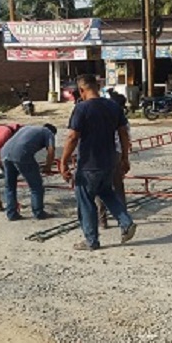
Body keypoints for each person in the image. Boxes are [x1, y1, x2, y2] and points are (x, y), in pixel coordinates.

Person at [60, 74, 136, 251]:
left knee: (86, 200)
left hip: (89, 164)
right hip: (109, 161)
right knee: (107, 193)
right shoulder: (113, 106)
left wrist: (63, 161)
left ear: (81, 90)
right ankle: (126, 223)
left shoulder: (82, 109)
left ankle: (91, 240)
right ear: (97, 86)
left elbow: (72, 137)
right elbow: (124, 133)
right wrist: (125, 158)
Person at [0, 124, 57, 221]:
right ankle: (38, 212)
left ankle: (12, 214)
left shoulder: (27, 128)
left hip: (4, 153)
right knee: (36, 186)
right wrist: (48, 166)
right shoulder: (48, 132)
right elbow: (51, 151)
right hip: (21, 154)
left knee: (10, 186)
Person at [96, 93, 130, 229]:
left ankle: (102, 220)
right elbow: (125, 140)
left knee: (101, 188)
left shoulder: (101, 117)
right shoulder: (123, 120)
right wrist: (125, 159)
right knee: (118, 188)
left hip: (100, 155)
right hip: (115, 154)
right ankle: (124, 221)